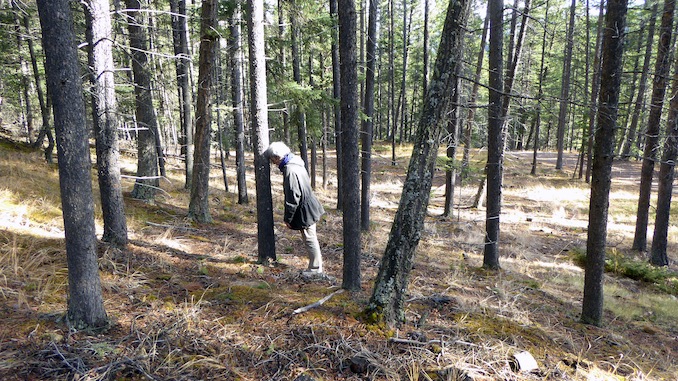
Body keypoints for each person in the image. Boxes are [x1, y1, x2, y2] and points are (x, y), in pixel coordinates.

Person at [265, 142, 325, 274]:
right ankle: (316, 267)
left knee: (310, 238)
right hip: (310, 205)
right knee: (311, 237)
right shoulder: (296, 161)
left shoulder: (290, 170)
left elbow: (293, 196)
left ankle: (315, 270)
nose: (273, 163)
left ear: (277, 158)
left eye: (272, 160)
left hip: (305, 209)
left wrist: (288, 218)